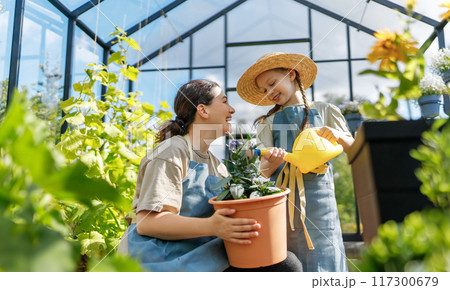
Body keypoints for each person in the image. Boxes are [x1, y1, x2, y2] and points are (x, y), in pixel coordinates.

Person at [117, 79, 302, 272]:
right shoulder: (172, 151)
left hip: (198, 253)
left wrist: (266, 169)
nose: (232, 109)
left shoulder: (216, 165)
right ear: (203, 110)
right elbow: (148, 223)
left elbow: (235, 206)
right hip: (159, 260)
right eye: (224, 101)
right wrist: (212, 226)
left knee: (284, 263)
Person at [236, 52, 354, 272]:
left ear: (291, 74)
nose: (270, 93)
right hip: (281, 200)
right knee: (290, 262)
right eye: (264, 90)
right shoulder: (267, 122)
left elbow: (353, 149)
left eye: (272, 84)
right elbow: (260, 174)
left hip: (321, 201)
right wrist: (271, 162)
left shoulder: (326, 110)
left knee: (327, 257)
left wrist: (338, 135)